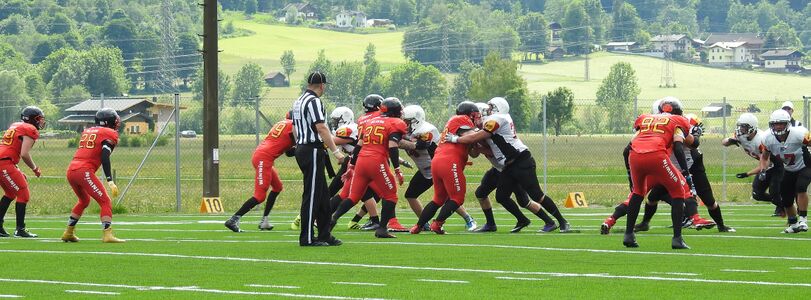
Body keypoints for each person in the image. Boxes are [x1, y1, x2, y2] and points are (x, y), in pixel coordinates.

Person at [442, 97, 572, 233]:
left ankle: (562, 222)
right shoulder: (494, 120)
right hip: (508, 166)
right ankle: (521, 220)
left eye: (490, 108)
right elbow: (478, 145)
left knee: (536, 195)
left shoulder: (497, 119)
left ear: (497, 108)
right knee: (502, 196)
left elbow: (477, 137)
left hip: (521, 160)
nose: (486, 112)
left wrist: (456, 139)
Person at [622, 97, 693, 249]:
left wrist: (629, 174)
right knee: (678, 192)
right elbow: (678, 148)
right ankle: (677, 239)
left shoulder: (645, 119)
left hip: (635, 155)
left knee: (637, 192)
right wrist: (686, 173)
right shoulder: (677, 121)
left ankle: (628, 234)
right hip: (656, 155)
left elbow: (626, 149)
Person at [332, 98, 407, 238]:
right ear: (395, 111)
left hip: (361, 161)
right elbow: (392, 147)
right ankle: (382, 229)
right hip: (377, 161)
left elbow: (359, 145)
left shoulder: (370, 121)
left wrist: (351, 166)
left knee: (353, 196)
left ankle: (332, 219)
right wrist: (397, 169)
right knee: (391, 195)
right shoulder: (396, 123)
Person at [399, 104, 478, 231]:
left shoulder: (426, 129)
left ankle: (468, 218)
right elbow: (397, 142)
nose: (404, 124)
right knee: (414, 195)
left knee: (447, 197)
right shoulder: (406, 131)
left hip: (435, 165)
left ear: (416, 120)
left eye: (407, 121)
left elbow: (420, 145)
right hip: (428, 169)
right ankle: (424, 224)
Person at [291, 71, 345, 246]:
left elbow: (294, 128)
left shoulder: (298, 101)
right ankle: (306, 237)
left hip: (303, 148)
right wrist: (336, 152)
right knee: (312, 195)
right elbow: (321, 128)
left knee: (322, 195)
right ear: (322, 85)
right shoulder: (314, 101)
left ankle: (324, 234)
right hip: (312, 150)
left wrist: (299, 144)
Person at [224, 112, 295, 232]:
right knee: (260, 196)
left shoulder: (282, 123)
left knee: (277, 187)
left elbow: (288, 151)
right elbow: (291, 151)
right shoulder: (292, 125)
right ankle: (233, 219)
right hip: (264, 158)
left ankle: (264, 221)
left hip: (263, 156)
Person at [61, 108, 124, 243]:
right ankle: (107, 234)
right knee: (105, 201)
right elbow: (104, 157)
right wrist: (110, 180)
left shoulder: (88, 131)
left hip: (71, 170)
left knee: (84, 201)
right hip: (84, 171)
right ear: (109, 121)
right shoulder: (109, 133)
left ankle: (68, 232)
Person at [757, 109, 810, 233]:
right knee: (785, 197)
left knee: (801, 186)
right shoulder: (767, 138)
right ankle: (793, 224)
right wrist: (763, 170)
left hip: (806, 164)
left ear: (788, 124)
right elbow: (764, 157)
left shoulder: (799, 134)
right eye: (775, 124)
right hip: (789, 168)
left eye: (781, 123)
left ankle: (803, 220)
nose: (778, 126)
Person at [723, 113, 784, 217]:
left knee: (774, 191)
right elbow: (724, 143)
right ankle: (782, 203)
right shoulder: (741, 135)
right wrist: (730, 140)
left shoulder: (760, 140)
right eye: (740, 126)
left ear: (752, 127)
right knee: (757, 194)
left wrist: (747, 174)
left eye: (744, 126)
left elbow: (765, 162)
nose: (741, 129)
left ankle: (785, 206)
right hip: (766, 166)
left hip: (777, 165)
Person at [0, 106, 44, 238]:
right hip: (5, 163)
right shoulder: (30, 129)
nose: (41, 121)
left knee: (10, 193)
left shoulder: (16, 125)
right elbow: (24, 154)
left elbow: (12, 149)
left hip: (4, 161)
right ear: (32, 119)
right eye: (39, 118)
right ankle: (20, 229)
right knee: (23, 195)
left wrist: (16, 170)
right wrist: (35, 168)